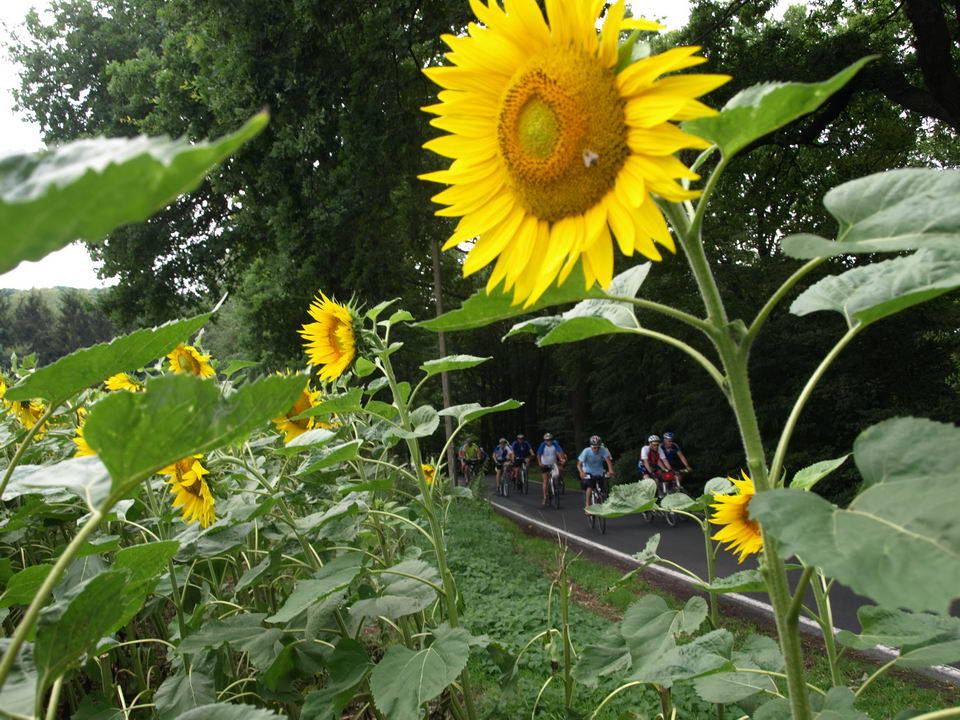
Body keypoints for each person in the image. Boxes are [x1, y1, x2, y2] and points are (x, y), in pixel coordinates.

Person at [577, 435, 614, 511]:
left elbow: (608, 461)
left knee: (603, 483)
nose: (596, 449)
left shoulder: (603, 450)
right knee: (590, 486)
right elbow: (579, 464)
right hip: (587, 471)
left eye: (598, 447)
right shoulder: (586, 451)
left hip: (598, 471)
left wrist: (611, 470)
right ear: (591, 446)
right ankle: (587, 505)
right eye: (594, 448)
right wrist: (581, 472)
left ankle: (603, 495)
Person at [537, 432, 567, 505]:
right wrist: (540, 463)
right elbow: (539, 454)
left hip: (553, 464)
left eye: (550, 440)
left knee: (560, 471)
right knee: (545, 480)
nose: (549, 441)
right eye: (547, 440)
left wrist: (562, 459)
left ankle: (557, 483)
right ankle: (545, 497)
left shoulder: (555, 444)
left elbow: (559, 452)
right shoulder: (542, 445)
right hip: (545, 464)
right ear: (545, 440)